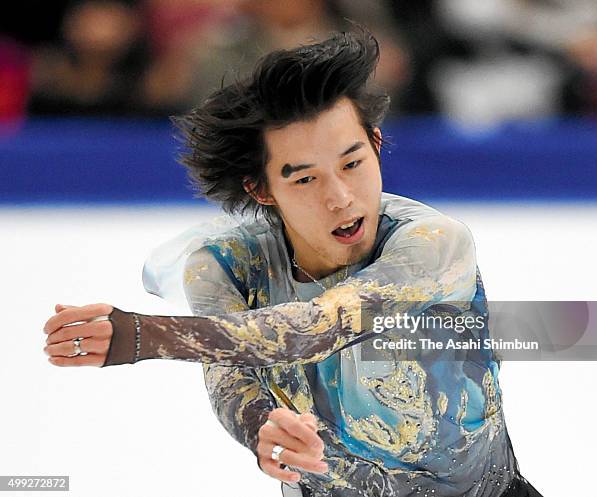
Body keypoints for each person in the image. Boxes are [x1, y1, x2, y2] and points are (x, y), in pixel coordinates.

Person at [42, 30, 544, 497]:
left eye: (352, 163)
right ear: (261, 189)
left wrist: (146, 336)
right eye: (305, 179)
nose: (342, 198)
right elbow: (231, 380)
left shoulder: (434, 242)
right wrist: (264, 428)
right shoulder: (224, 267)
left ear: (375, 143)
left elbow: (323, 325)